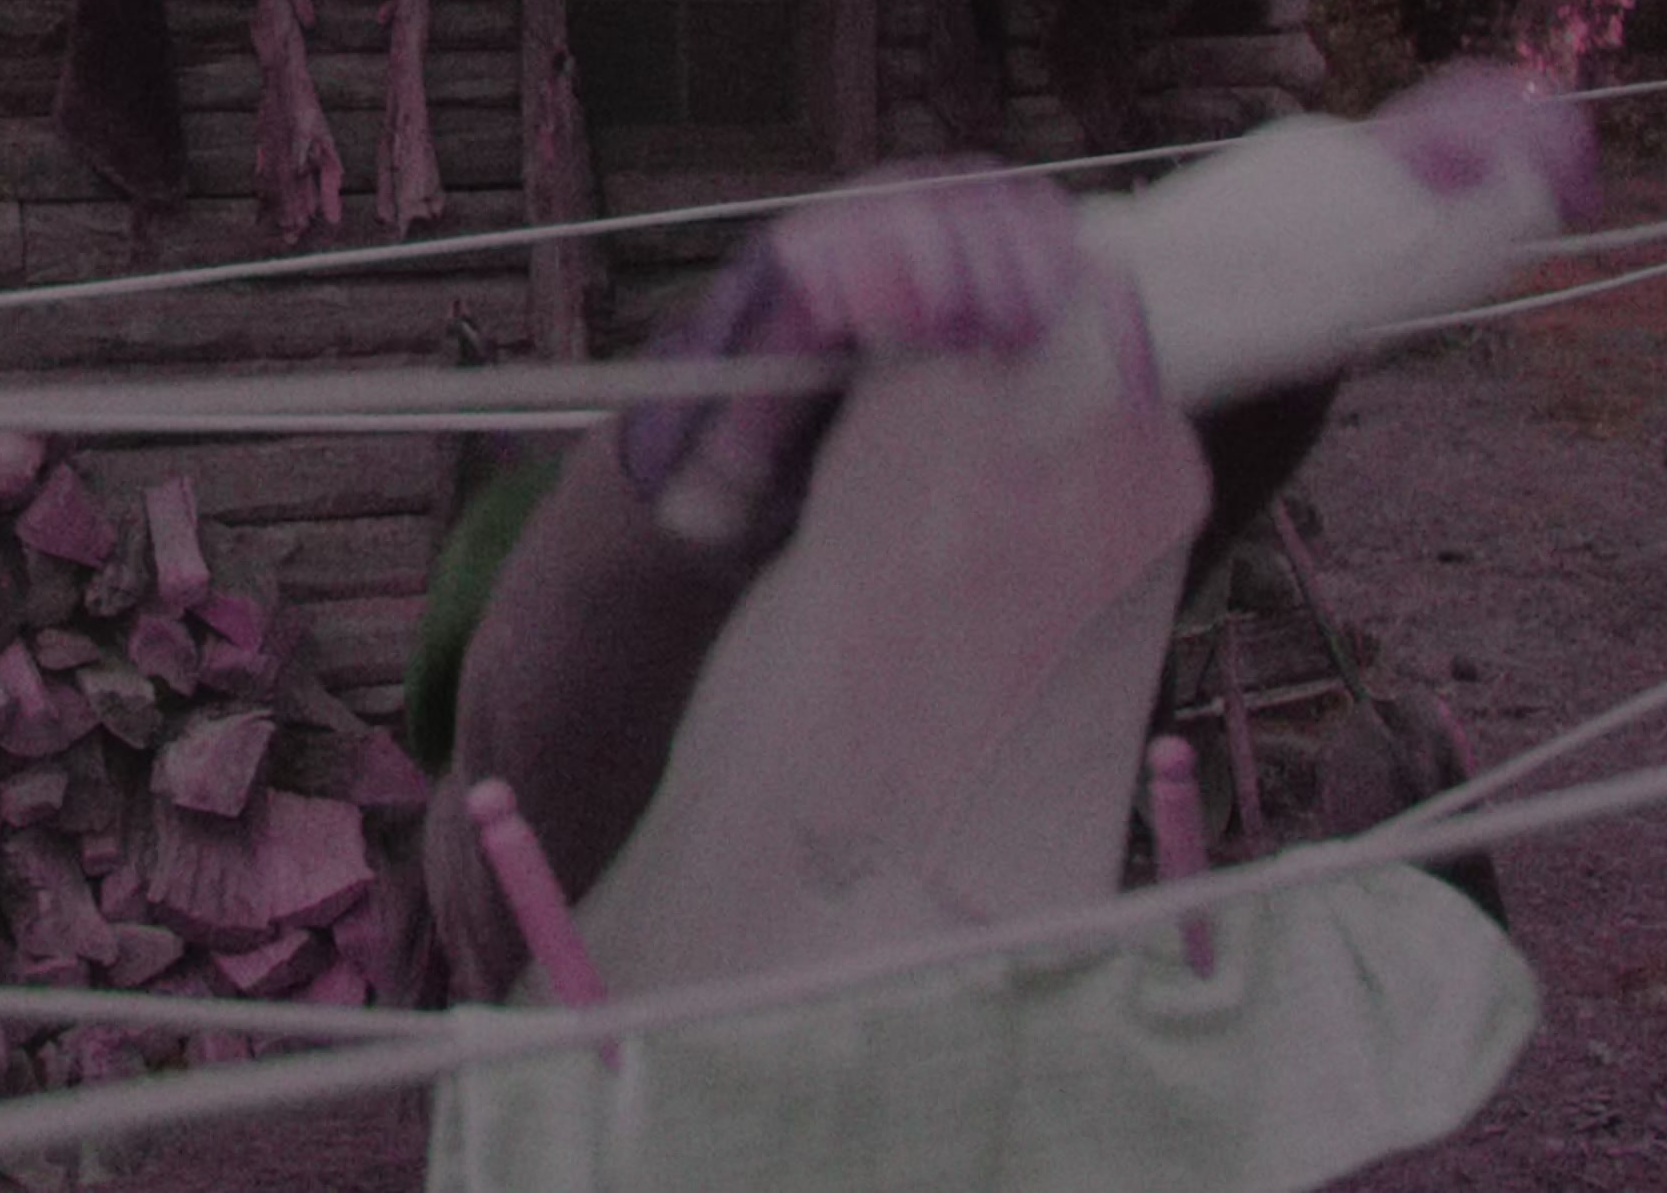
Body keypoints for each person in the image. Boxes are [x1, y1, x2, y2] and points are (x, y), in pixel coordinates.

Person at [403, 67, 1593, 1003]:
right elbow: (524, 819)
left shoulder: (944, 686)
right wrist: (699, 449)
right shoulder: (534, 862)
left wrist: (1338, 236)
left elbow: (1109, 527)